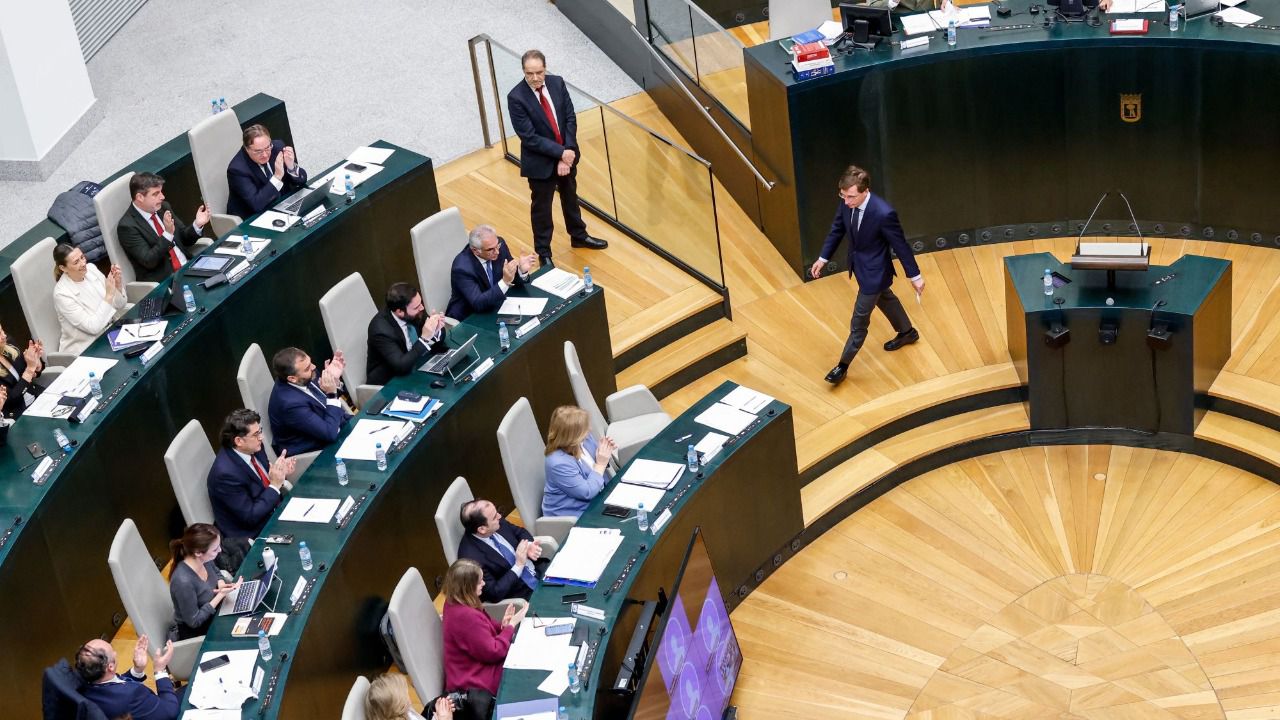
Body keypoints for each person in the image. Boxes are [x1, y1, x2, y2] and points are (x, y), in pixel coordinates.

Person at [809, 165, 925, 386]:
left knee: (859, 321)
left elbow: (900, 245)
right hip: (860, 266)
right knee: (887, 298)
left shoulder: (884, 213)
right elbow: (837, 229)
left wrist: (915, 275)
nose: (846, 201)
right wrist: (823, 259)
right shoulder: (846, 202)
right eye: (842, 195)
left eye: (851, 197)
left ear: (865, 191)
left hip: (875, 272)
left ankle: (842, 366)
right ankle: (908, 332)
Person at [507, 49, 607, 267]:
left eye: (539, 72)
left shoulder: (557, 83)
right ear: (523, 71)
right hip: (541, 163)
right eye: (529, 73)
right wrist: (561, 153)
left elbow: (569, 118)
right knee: (542, 209)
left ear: (545, 68)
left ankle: (578, 236)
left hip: (567, 157)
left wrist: (568, 152)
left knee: (570, 197)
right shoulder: (516, 97)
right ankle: (544, 253)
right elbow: (529, 137)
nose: (535, 78)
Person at [441, 559, 524, 705]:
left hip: (474, 666)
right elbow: (493, 652)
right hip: (475, 680)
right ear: (468, 587)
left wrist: (502, 627)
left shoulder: (455, 601)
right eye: (479, 582)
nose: (484, 584)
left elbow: (484, 628)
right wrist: (510, 626)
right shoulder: (465, 616)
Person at [207, 409, 295, 541]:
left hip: (274, 509)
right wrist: (276, 484)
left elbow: (266, 481)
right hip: (256, 533)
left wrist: (280, 472)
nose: (261, 437)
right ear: (239, 441)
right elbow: (250, 517)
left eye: (260, 431)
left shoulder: (254, 446)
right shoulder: (225, 475)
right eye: (255, 434)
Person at [116, 172, 208, 283]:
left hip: (188, 268)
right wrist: (168, 234)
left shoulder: (163, 207)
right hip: (166, 282)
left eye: (161, 192)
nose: (162, 197)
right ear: (140, 197)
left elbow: (184, 239)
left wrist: (197, 225)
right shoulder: (127, 226)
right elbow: (149, 260)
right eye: (156, 194)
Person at [267, 346, 351, 456]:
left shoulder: (305, 374)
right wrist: (331, 394)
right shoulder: (289, 405)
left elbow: (326, 401)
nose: (314, 367)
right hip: (317, 450)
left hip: (338, 425)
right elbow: (330, 433)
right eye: (307, 368)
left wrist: (333, 380)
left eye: (310, 362)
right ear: (292, 378)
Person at [456, 499, 543, 603]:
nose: (499, 516)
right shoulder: (471, 559)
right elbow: (494, 592)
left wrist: (528, 545)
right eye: (494, 517)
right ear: (482, 529)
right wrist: (518, 565)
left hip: (538, 569)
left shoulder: (495, 520)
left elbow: (520, 532)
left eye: (496, 512)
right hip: (522, 594)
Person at [75, 635, 178, 720]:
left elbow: (115, 685)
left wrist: (137, 669)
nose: (115, 653)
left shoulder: (87, 685)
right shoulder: (134, 695)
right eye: (113, 650)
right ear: (110, 667)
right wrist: (160, 670)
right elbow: (170, 711)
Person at [445, 225, 536, 321]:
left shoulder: (499, 245)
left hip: (494, 306)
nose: (497, 251)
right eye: (491, 249)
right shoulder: (462, 268)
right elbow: (478, 303)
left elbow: (510, 276)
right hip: (468, 317)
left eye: (497, 246)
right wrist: (504, 282)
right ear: (476, 251)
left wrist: (521, 270)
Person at [168, 523, 242, 641]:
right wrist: (220, 595)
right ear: (198, 552)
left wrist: (221, 584)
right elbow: (194, 621)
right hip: (198, 631)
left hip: (215, 613)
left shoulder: (204, 559)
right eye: (215, 549)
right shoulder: (183, 582)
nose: (220, 550)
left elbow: (217, 573)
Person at [542, 405, 616, 518]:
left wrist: (605, 451)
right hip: (574, 514)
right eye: (585, 429)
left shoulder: (585, 438)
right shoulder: (558, 463)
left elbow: (597, 467)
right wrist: (601, 463)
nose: (589, 430)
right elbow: (587, 492)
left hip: (598, 499)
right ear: (572, 436)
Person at [367, 282, 447, 386]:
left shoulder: (415, 311)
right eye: (416, 307)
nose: (422, 308)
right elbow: (401, 366)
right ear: (399, 312)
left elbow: (437, 336)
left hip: (416, 367)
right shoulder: (380, 330)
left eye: (421, 303)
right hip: (389, 382)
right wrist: (424, 339)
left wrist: (436, 331)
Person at [52, 243, 126, 354]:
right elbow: (93, 328)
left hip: (111, 332)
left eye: (82, 257)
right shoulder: (62, 294)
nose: (83, 263)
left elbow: (120, 305)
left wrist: (118, 285)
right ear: (63, 268)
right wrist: (109, 295)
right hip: (88, 348)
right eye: (76, 262)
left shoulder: (91, 269)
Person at [226, 124, 308, 218]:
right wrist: (277, 177)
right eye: (258, 151)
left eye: (267, 148)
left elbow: (302, 180)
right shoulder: (237, 170)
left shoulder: (277, 147)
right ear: (246, 149)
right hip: (252, 218)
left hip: (281, 206)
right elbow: (257, 204)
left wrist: (291, 167)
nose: (265, 155)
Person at [0, 321, 45, 435]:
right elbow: (10, 400)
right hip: (17, 415)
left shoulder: (8, 343)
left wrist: (36, 363)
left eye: (2, 330)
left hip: (37, 396)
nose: (4, 336)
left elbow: (29, 371)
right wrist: (30, 369)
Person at [365, 673, 454, 720]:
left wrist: (438, 714)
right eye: (405, 694)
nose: (408, 696)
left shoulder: (406, 712)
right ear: (398, 707)